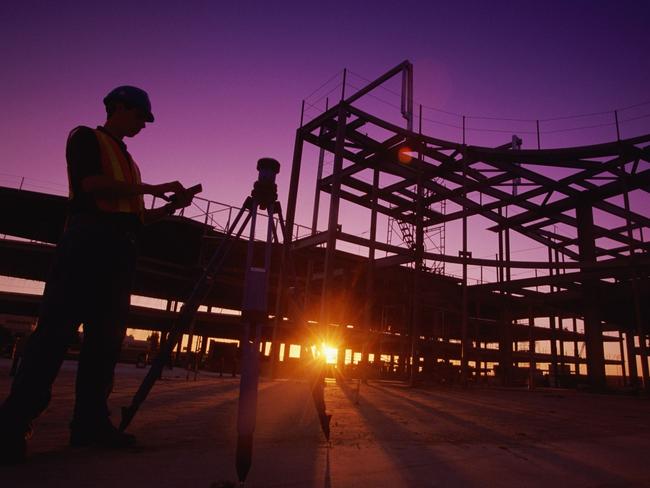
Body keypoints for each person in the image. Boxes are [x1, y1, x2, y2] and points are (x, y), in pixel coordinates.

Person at [0, 86, 196, 464]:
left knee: (105, 342)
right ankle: (11, 425)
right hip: (87, 241)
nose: (142, 124)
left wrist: (168, 208)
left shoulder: (129, 161)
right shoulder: (86, 138)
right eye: (139, 116)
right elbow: (91, 186)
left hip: (120, 248)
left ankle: (89, 424)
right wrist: (154, 188)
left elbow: (135, 216)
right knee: (54, 334)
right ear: (117, 107)